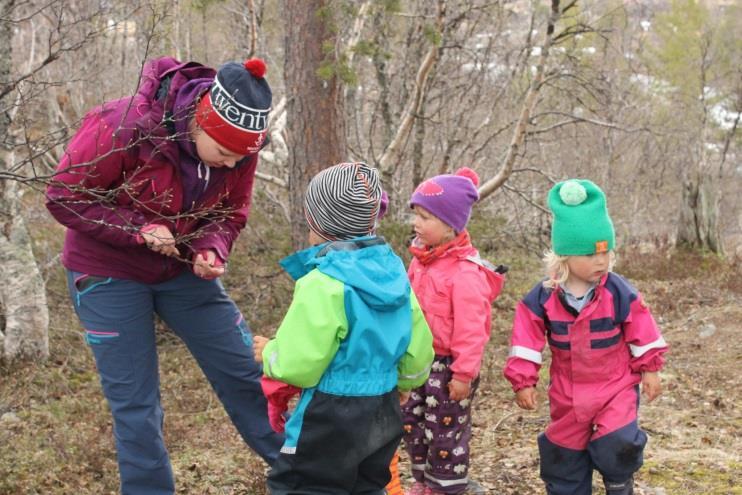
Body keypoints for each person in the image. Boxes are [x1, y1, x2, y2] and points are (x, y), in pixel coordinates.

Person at [45, 56, 283, 494]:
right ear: (200, 122)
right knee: (137, 407)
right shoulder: (123, 125)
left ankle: (307, 479)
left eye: (240, 157)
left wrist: (212, 246)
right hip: (106, 271)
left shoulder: (244, 151)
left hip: (181, 268)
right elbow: (63, 197)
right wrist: (137, 229)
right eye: (225, 153)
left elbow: (231, 214)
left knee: (245, 374)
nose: (232, 166)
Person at [252, 162, 435, 495]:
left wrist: (269, 353)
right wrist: (406, 382)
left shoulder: (323, 283)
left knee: (302, 485)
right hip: (383, 408)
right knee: (367, 485)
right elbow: (419, 347)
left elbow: (299, 365)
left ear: (315, 222)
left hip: (331, 413)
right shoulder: (395, 275)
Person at [503, 179, 669, 495]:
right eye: (592, 254)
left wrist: (650, 368)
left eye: (606, 254)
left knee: (617, 441)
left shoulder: (618, 291)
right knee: (564, 455)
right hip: (568, 392)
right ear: (566, 255)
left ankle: (619, 483)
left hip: (614, 386)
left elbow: (642, 328)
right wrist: (523, 379)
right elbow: (526, 338)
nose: (601, 262)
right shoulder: (544, 297)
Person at [401, 168, 506, 495]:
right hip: (416, 360)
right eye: (416, 215)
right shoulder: (419, 261)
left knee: (445, 433)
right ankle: (422, 480)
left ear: (451, 225)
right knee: (411, 424)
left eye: (426, 217)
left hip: (448, 367)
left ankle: (445, 487)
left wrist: (463, 374)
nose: (417, 224)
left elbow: (472, 330)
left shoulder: (465, 273)